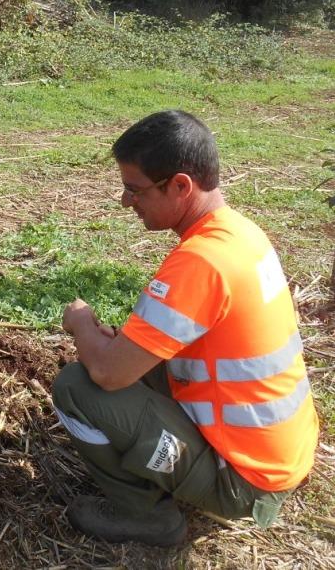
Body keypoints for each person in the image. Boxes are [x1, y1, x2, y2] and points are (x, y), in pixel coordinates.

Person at [52, 110, 318, 546]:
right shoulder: (240, 234)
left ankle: (146, 516)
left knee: (78, 386)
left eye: (134, 190)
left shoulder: (200, 263)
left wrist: (81, 323)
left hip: (245, 479)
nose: (125, 202)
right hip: (280, 454)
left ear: (180, 185)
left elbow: (107, 374)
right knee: (129, 356)